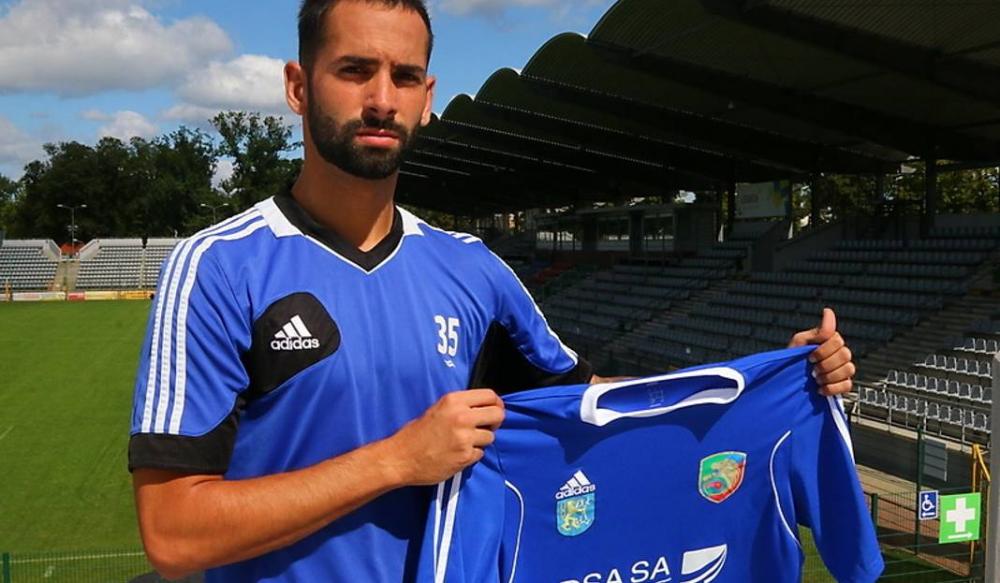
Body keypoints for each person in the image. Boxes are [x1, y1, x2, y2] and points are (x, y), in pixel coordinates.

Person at [128, 1, 857, 581]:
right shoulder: (219, 268)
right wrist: (397, 460)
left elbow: (591, 404)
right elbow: (173, 533)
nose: (381, 99)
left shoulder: (472, 269)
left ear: (426, 98)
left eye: (404, 76)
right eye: (354, 70)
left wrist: (779, 376)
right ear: (298, 85)